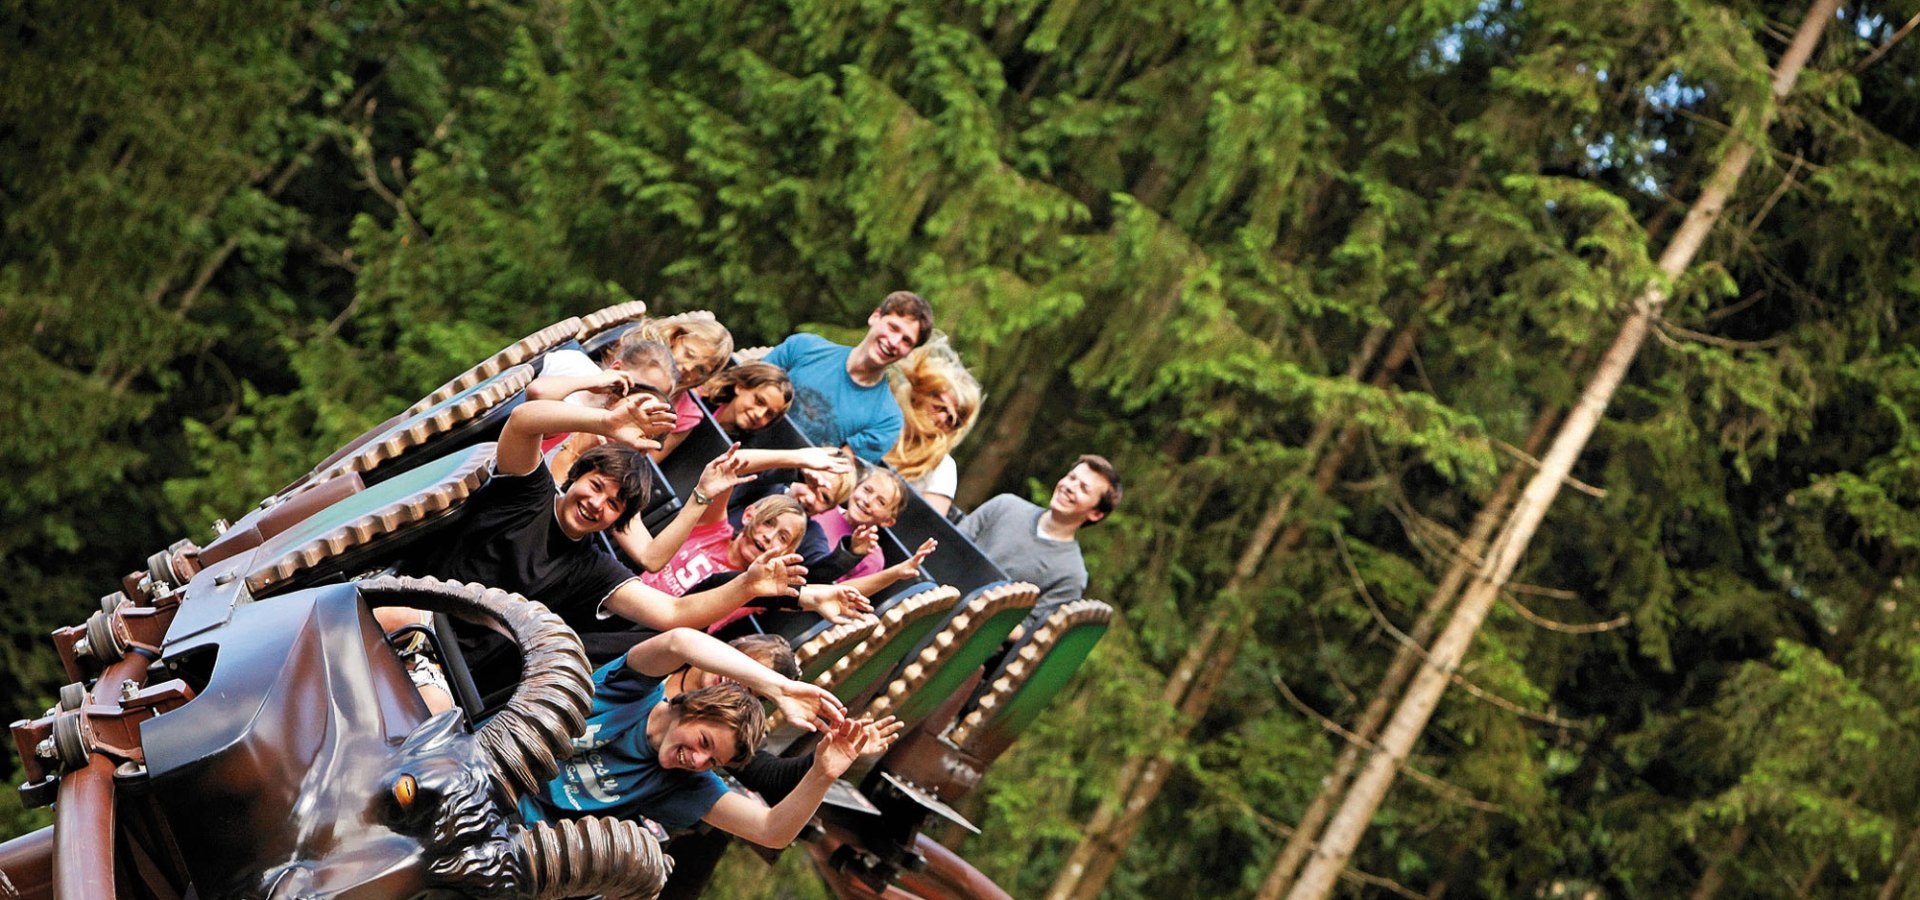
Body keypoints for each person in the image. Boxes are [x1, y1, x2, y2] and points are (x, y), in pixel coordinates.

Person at [383, 370, 808, 702]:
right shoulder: (529, 492)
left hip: (446, 666)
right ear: (578, 475)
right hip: (413, 605)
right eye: (596, 486)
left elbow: (673, 614)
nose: (596, 503)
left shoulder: (592, 568)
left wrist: (747, 586)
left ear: (618, 521)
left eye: (613, 505)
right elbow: (524, 419)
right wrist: (604, 420)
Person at [521, 627, 898, 850]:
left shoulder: (681, 783)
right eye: (704, 742)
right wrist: (779, 687)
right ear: (690, 709)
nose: (699, 761)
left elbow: (771, 831)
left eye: (713, 761)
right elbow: (679, 641)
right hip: (490, 765)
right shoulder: (634, 689)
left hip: (516, 838)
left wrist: (823, 774)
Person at [751, 291, 933, 464]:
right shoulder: (803, 348)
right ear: (875, 317)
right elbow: (748, 389)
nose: (894, 342)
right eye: (893, 328)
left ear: (910, 352)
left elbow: (837, 472)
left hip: (782, 488)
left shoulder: (887, 419)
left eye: (906, 341)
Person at [959, 455, 1121, 616]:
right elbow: (949, 545)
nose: (1070, 487)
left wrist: (987, 610)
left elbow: (1027, 631)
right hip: (940, 595)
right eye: (1071, 478)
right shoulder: (1004, 505)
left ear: (1096, 514)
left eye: (1084, 489)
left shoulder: (1071, 575)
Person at [884, 333, 981, 516]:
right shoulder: (881, 417)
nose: (943, 419)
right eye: (939, 407)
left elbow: (924, 530)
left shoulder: (942, 468)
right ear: (922, 395)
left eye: (954, 420)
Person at [814, 465, 937, 599]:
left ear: (887, 521)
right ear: (855, 487)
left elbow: (844, 598)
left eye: (881, 502)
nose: (868, 501)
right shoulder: (823, 506)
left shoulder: (873, 558)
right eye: (867, 490)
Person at [632, 315, 734, 461]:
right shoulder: (634, 355)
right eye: (689, 354)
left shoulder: (686, 415)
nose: (688, 367)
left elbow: (646, 463)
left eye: (700, 370)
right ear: (675, 338)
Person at [703, 361, 794, 437]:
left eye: (769, 414)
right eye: (759, 401)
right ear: (740, 387)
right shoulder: (700, 399)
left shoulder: (741, 448)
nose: (759, 414)